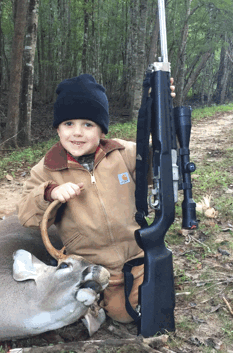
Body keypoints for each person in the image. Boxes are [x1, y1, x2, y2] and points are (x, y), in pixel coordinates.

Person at [17, 73, 174, 323]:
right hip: (93, 266)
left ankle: (122, 295)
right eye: (68, 124)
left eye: (88, 125)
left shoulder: (124, 153)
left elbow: (165, 163)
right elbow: (27, 216)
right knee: (123, 315)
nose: (77, 133)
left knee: (157, 303)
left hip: (138, 256)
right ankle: (96, 300)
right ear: (57, 128)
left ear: (102, 129)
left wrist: (162, 108)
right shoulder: (46, 169)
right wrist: (50, 193)